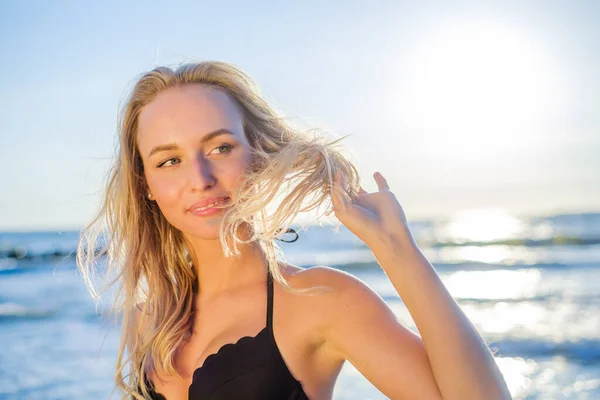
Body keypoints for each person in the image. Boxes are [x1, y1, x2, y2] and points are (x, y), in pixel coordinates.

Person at [77, 61, 511, 400]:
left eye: (220, 147)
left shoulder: (320, 301)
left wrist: (397, 250)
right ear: (146, 185)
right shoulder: (151, 321)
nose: (200, 177)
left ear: (258, 154)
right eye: (169, 160)